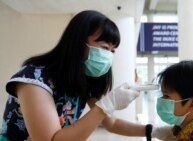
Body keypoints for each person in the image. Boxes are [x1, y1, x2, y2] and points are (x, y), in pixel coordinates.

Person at [0, 10, 161, 141]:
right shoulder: (34, 80)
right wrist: (105, 106)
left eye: (112, 51)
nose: (109, 56)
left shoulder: (85, 81)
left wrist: (153, 131)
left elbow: (112, 123)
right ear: (78, 42)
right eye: (104, 47)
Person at [152, 60, 193, 141]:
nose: (161, 99)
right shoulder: (183, 129)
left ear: (192, 104)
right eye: (162, 94)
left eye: (166, 95)